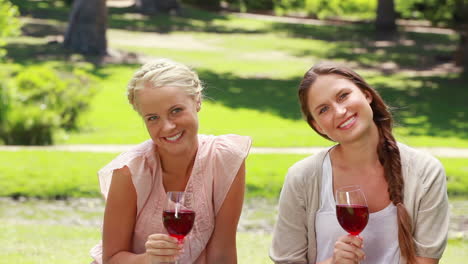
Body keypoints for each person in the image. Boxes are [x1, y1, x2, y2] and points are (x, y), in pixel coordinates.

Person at [269, 63, 449, 264]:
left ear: (366, 95)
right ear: (317, 126)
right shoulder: (302, 177)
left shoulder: (425, 172)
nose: (339, 111)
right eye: (324, 109)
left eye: (343, 96)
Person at [89, 58, 251, 264]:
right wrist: (148, 259)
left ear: (197, 100)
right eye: (153, 118)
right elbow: (111, 258)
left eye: (176, 110)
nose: (167, 127)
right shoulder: (131, 171)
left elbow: (223, 251)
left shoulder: (225, 158)